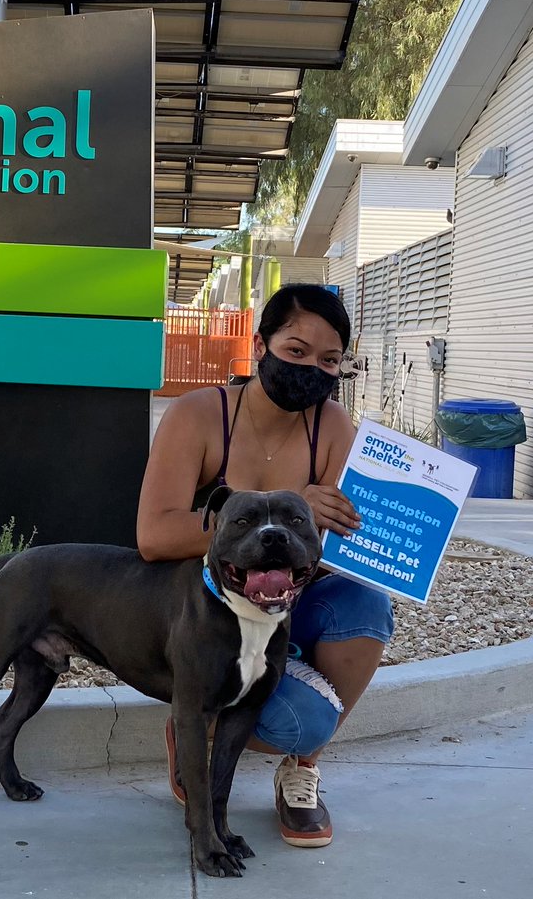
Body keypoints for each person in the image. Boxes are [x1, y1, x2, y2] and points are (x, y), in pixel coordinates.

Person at [136, 283, 394, 848]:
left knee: (368, 606)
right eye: (296, 350)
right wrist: (285, 506)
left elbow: (345, 546)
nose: (311, 369)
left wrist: (388, 536)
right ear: (260, 344)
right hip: (208, 620)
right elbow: (153, 536)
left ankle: (302, 771)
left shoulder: (331, 427)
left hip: (284, 609)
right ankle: (197, 724)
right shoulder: (198, 415)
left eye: (330, 360)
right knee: (290, 716)